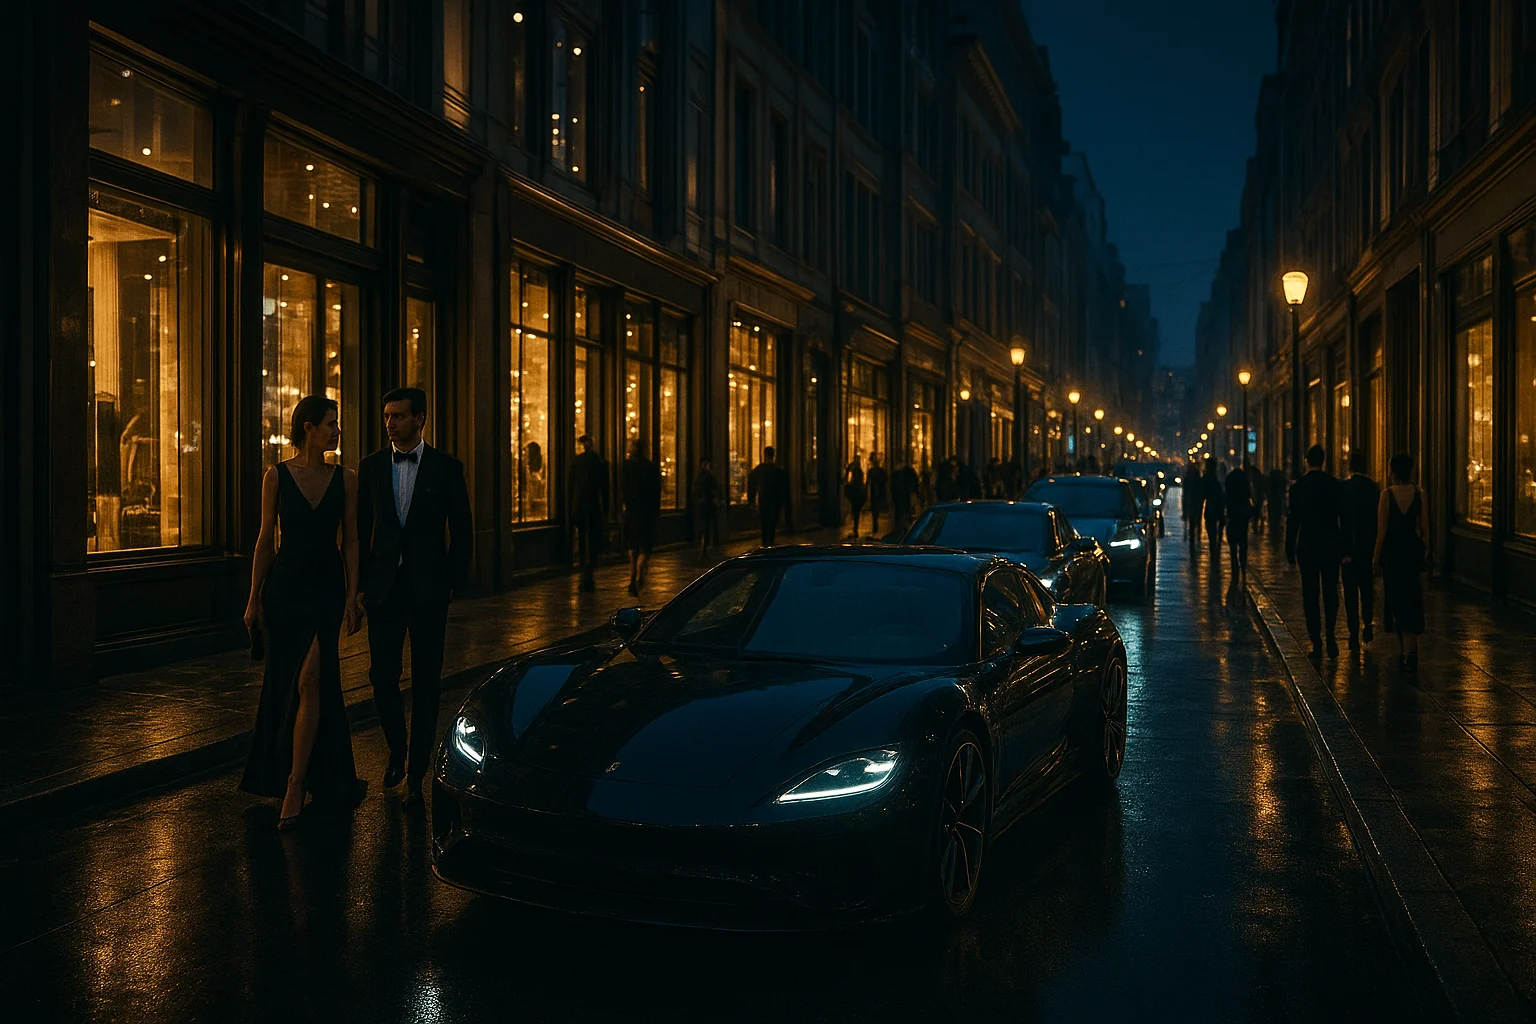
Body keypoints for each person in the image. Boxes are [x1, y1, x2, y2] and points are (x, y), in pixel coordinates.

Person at [241, 396, 365, 830]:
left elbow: (351, 540)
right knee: (287, 684)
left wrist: (353, 596)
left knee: (312, 678)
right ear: (308, 428)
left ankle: (295, 783)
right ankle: (292, 772)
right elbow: (265, 539)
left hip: (326, 589)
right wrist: (253, 598)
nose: (337, 431)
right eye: (331, 424)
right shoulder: (275, 475)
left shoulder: (346, 478)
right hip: (285, 590)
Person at [358, 386, 473, 805]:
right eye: (387, 416)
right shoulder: (370, 466)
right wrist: (360, 587)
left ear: (420, 418)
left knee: (427, 684)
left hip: (428, 592)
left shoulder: (446, 468)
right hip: (384, 591)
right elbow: (360, 530)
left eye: (399, 416)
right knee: (381, 678)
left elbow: (462, 529)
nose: (390, 423)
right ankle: (397, 748)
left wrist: (453, 584)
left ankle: (416, 775)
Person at [1287, 445, 1345, 657]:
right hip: (1331, 544)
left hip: (1308, 545)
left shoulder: (1299, 487)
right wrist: (1345, 545)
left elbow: (1293, 520)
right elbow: (1342, 517)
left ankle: (1316, 639)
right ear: (1323, 461)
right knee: (1331, 591)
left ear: (1306, 461)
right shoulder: (1334, 484)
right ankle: (1330, 633)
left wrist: (1289, 548)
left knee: (1310, 594)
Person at [1373, 453, 1429, 672]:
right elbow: (1424, 528)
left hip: (1393, 553)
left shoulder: (1387, 495)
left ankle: (1403, 649)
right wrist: (1425, 553)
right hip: (1412, 552)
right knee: (1412, 598)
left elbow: (1382, 530)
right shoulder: (1419, 494)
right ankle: (1410, 649)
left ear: (1393, 472)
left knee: (1395, 598)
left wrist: (1376, 557)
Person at [1340, 451, 1381, 650]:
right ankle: (1367, 621)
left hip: (1348, 549)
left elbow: (1341, 520)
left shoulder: (1344, 488)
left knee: (1350, 593)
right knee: (1366, 589)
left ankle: (1353, 632)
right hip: (1368, 548)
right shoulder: (1373, 488)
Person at [567, 434, 610, 592]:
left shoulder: (576, 462)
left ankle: (583, 567)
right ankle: (589, 571)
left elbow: (570, 486)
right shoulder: (600, 462)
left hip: (578, 505)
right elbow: (605, 489)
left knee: (582, 537)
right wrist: (606, 510)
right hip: (593, 506)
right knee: (592, 538)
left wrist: (570, 506)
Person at [621, 439, 662, 596]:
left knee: (632, 545)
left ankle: (632, 574)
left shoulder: (626, 466)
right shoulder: (651, 468)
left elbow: (622, 489)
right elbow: (657, 493)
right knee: (646, 546)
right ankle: (640, 570)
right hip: (647, 513)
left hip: (632, 511)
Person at [748, 446, 790, 545]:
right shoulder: (779, 472)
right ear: (773, 456)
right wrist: (785, 505)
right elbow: (785, 490)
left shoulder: (759, 470)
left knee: (764, 525)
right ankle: (770, 542)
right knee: (772, 525)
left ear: (765, 455)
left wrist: (751, 500)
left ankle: (765, 543)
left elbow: (752, 484)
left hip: (764, 502)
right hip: (776, 503)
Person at [1225, 459, 1253, 571]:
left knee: (1232, 541)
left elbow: (1226, 496)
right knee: (1243, 540)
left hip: (1233, 513)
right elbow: (1249, 495)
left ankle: (1234, 563)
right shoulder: (1244, 479)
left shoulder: (1229, 479)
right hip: (1243, 514)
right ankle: (1243, 562)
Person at [692, 458, 720, 557]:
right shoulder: (709, 476)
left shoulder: (699, 477)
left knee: (703, 523)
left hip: (703, 503)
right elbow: (715, 487)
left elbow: (696, 489)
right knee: (708, 523)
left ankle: (701, 541)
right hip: (708, 502)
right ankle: (708, 542)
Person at [1202, 460, 1226, 558]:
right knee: (1215, 528)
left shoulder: (1209, 478)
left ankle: (1214, 547)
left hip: (1213, 506)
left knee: (1212, 529)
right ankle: (1216, 546)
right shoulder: (1216, 478)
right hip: (1217, 506)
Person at [891, 459, 919, 534]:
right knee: (907, 511)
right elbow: (916, 483)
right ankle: (905, 527)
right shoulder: (909, 472)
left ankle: (901, 527)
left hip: (901, 496)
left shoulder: (896, 474)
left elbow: (893, 487)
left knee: (901, 512)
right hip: (906, 496)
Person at [843, 453, 867, 538]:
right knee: (856, 511)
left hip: (855, 492)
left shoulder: (855, 471)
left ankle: (855, 527)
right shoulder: (858, 472)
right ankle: (855, 527)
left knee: (855, 511)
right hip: (858, 492)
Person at [866, 453, 889, 536]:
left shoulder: (872, 471)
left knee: (875, 506)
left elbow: (868, 482)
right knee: (876, 506)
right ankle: (875, 520)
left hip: (875, 491)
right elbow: (885, 479)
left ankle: (875, 520)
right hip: (878, 491)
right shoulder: (880, 471)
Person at [1185, 460, 1206, 549]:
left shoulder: (1189, 479)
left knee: (1193, 520)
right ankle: (1196, 536)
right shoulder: (1199, 480)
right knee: (1196, 519)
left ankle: (1193, 537)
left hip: (1194, 502)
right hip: (1196, 502)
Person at [1268, 467, 1288, 541]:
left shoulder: (1272, 484)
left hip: (1273, 500)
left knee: (1274, 517)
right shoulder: (1281, 483)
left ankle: (1274, 530)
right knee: (1277, 517)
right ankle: (1276, 530)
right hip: (1278, 500)